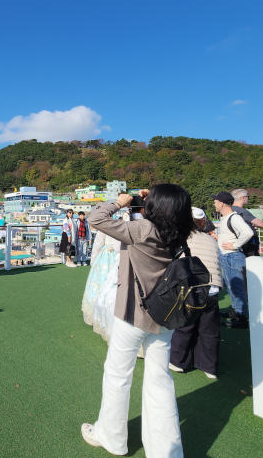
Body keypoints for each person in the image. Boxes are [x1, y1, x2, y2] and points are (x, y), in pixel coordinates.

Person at [81, 185, 194, 457]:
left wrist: (120, 202)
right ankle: (166, 450)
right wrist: (153, 201)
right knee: (159, 380)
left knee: (118, 375)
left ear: (155, 207)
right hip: (166, 317)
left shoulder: (143, 230)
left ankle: (112, 437)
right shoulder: (181, 232)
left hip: (133, 315)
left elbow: (95, 219)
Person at [169, 207, 223, 379]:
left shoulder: (181, 238)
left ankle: (179, 362)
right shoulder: (210, 239)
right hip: (212, 288)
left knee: (185, 326)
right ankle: (209, 366)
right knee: (209, 329)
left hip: (192, 288)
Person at [213, 191, 254, 329]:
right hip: (226, 256)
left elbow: (248, 232)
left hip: (233, 256)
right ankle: (235, 312)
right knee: (231, 286)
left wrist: (235, 245)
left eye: (216, 201)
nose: (214, 203)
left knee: (236, 288)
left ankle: (241, 317)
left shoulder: (234, 218)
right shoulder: (226, 218)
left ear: (222, 203)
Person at [231, 188, 263, 256]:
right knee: (254, 263)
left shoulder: (230, 209)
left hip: (236, 241)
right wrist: (253, 225)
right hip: (249, 244)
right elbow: (261, 224)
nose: (248, 198)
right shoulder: (242, 211)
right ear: (243, 198)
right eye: (247, 196)